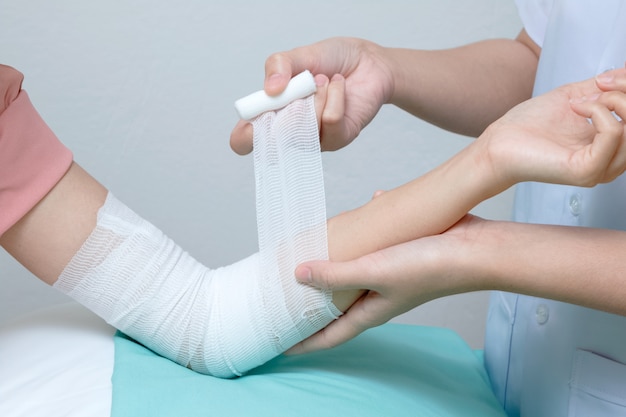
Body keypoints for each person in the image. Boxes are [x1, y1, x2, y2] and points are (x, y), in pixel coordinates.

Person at [230, 1, 626, 415]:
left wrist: (481, 251)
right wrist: (384, 68)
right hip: (518, 371)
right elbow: (545, 60)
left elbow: (212, 328)